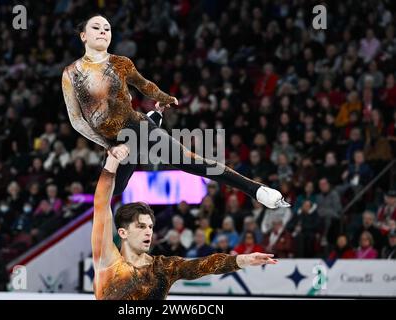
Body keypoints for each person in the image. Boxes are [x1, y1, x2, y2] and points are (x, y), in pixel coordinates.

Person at [62, 14, 289, 209]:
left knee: (190, 162)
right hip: (115, 141)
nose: (103, 31)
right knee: (116, 188)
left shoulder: (121, 63)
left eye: (107, 28)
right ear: (83, 36)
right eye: (96, 27)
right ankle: (154, 119)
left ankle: (258, 191)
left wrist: (161, 97)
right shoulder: (71, 73)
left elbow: (143, 84)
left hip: (136, 128)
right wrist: (109, 146)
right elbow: (76, 120)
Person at [91, 145, 277, 300]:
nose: (148, 232)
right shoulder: (107, 260)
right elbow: (101, 203)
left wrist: (243, 259)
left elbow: (202, 266)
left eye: (150, 226)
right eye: (141, 226)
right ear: (123, 232)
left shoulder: (163, 268)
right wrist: (112, 163)